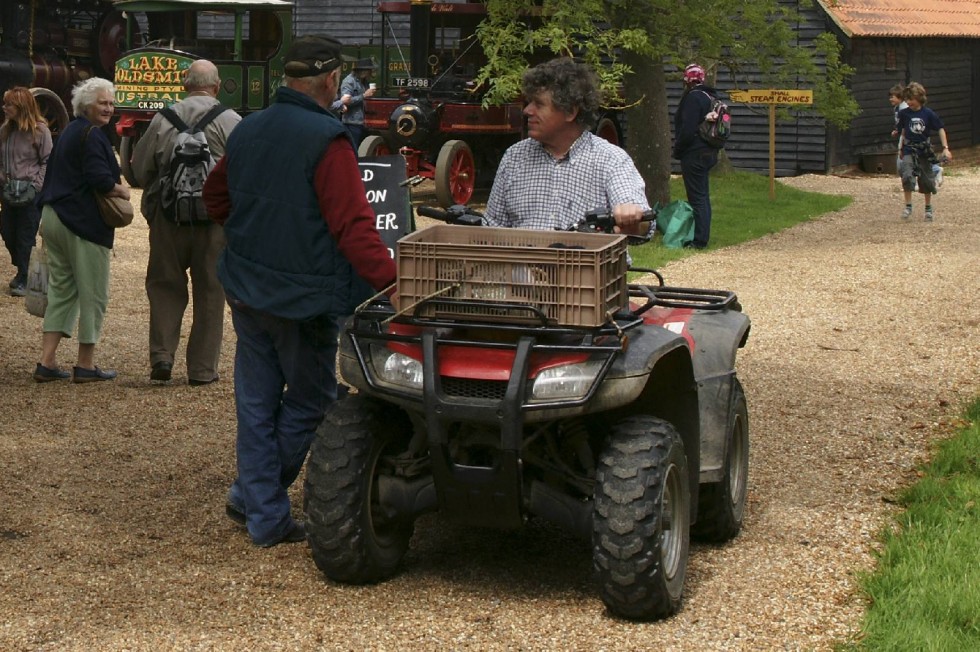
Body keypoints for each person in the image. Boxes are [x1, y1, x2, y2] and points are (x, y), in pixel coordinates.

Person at [202, 35, 398, 548]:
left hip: (246, 286)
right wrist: (397, 285)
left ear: (288, 78)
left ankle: (254, 500)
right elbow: (354, 230)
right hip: (302, 298)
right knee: (311, 400)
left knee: (255, 401)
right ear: (332, 81)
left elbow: (213, 196)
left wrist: (249, 234)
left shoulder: (249, 127)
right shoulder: (328, 140)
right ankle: (259, 506)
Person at [132, 60, 241, 386]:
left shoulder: (163, 119)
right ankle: (202, 370)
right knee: (211, 292)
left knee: (164, 286)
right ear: (217, 86)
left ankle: (162, 356)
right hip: (215, 222)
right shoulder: (230, 120)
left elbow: (139, 168)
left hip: (169, 217)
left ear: (183, 84)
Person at [33, 77, 129, 383]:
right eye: (103, 103)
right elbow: (99, 178)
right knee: (94, 293)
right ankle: (85, 364)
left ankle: (46, 362)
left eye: (111, 103)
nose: (109, 109)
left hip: (53, 216)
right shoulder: (93, 135)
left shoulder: (70, 132)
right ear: (85, 105)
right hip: (81, 223)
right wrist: (121, 191)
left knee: (62, 291)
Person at [483, 57, 649, 235]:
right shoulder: (514, 157)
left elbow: (642, 222)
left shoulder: (611, 159)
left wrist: (631, 217)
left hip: (587, 263)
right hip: (524, 263)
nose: (527, 111)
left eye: (538, 104)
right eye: (529, 102)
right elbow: (492, 228)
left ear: (570, 112)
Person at [0, 87, 52, 297]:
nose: (5, 108)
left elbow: (48, 161)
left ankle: (24, 276)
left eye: (9, 104)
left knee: (25, 234)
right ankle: (22, 267)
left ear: (21, 108)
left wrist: (36, 186)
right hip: (9, 191)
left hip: (30, 192)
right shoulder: (6, 131)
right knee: (7, 232)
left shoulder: (40, 131)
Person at [672, 63, 719, 249]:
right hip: (710, 151)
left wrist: (678, 150)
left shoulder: (693, 98)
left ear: (688, 80)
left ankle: (699, 240)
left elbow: (688, 129)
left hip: (694, 153)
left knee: (697, 198)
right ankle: (703, 235)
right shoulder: (711, 96)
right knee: (703, 196)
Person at [896, 82, 952, 221]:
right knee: (907, 175)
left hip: (924, 150)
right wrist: (900, 146)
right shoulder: (904, 114)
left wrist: (946, 148)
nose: (909, 102)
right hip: (909, 149)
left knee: (926, 179)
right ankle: (908, 206)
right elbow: (902, 130)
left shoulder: (928, 114)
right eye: (907, 99)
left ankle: (928, 208)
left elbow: (940, 129)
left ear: (919, 98)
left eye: (912, 99)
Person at [335, 58, 377, 148]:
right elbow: (346, 101)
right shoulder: (349, 81)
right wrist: (364, 95)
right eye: (369, 71)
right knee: (353, 148)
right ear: (364, 71)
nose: (370, 74)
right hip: (352, 122)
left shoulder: (364, 82)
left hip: (363, 121)